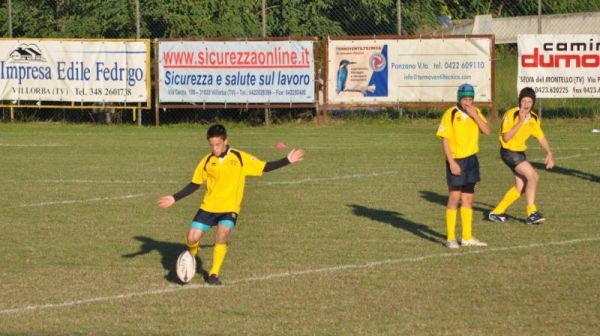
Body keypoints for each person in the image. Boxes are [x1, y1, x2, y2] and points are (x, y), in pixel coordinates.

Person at [157, 124, 304, 285]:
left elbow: (264, 166)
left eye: (217, 144)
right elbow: (195, 183)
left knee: (222, 234)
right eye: (211, 145)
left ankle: (213, 274)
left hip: (229, 208)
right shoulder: (207, 161)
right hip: (208, 207)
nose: (215, 148)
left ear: (226, 141)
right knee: (192, 238)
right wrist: (174, 198)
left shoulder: (240, 157)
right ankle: (191, 254)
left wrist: (287, 160)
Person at [488, 87, 554, 225]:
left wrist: (549, 153)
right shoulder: (511, 114)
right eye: (524, 100)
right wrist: (520, 122)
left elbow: (541, 137)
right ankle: (531, 213)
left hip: (518, 153)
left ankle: (497, 212)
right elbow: (506, 137)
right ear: (519, 101)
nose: (526, 104)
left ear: (533, 103)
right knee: (533, 176)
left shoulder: (534, 118)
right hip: (508, 152)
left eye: (529, 101)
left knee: (521, 186)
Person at [436, 83, 490, 249]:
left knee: (468, 198)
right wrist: (451, 162)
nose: (468, 102)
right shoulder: (451, 114)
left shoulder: (476, 112)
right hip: (456, 161)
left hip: (471, 160)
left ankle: (466, 237)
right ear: (459, 99)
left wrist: (475, 115)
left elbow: (487, 131)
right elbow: (444, 139)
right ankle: (450, 238)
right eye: (465, 99)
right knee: (454, 197)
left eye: (470, 99)